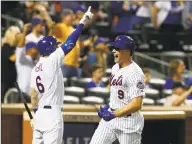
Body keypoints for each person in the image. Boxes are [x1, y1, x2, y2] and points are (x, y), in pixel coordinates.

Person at [29, 7, 93, 144]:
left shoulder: (35, 69)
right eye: (55, 46)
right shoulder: (52, 60)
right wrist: (81, 23)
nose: (57, 48)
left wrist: (35, 115)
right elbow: (70, 43)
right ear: (50, 49)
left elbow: (33, 95)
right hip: (52, 114)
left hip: (39, 114)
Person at [90, 35, 145, 144]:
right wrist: (109, 107)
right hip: (111, 118)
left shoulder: (136, 73)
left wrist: (114, 114)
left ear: (127, 51)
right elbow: (117, 92)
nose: (114, 51)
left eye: (117, 49)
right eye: (114, 48)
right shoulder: (115, 67)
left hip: (129, 122)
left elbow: (137, 104)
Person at [53, 8, 81, 78]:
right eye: (71, 15)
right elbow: (54, 31)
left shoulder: (72, 28)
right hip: (65, 63)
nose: (73, 17)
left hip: (75, 64)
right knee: (62, 85)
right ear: (64, 17)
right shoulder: (60, 26)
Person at [16, 24, 39, 102]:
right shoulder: (22, 60)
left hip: (33, 96)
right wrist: (24, 32)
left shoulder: (37, 63)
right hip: (22, 94)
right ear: (28, 50)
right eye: (34, 49)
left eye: (37, 50)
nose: (36, 51)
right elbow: (20, 48)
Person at [1, 26, 21, 101]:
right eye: (17, 34)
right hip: (5, 83)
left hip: (11, 82)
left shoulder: (13, 48)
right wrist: (20, 49)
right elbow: (12, 58)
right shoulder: (5, 46)